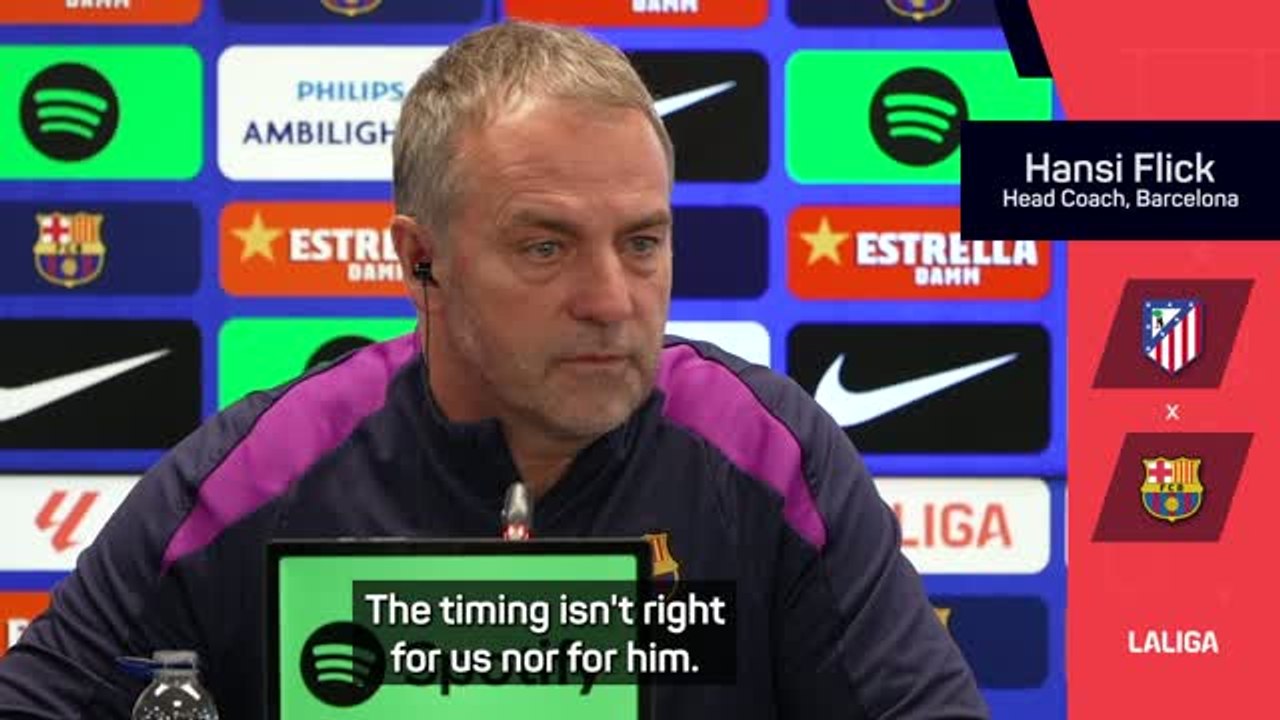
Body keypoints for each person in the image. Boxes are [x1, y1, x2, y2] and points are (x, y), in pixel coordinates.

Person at [0, 21, 987, 719]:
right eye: (544, 247)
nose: (611, 299)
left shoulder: (766, 451)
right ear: (418, 259)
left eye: (641, 243)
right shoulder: (263, 468)